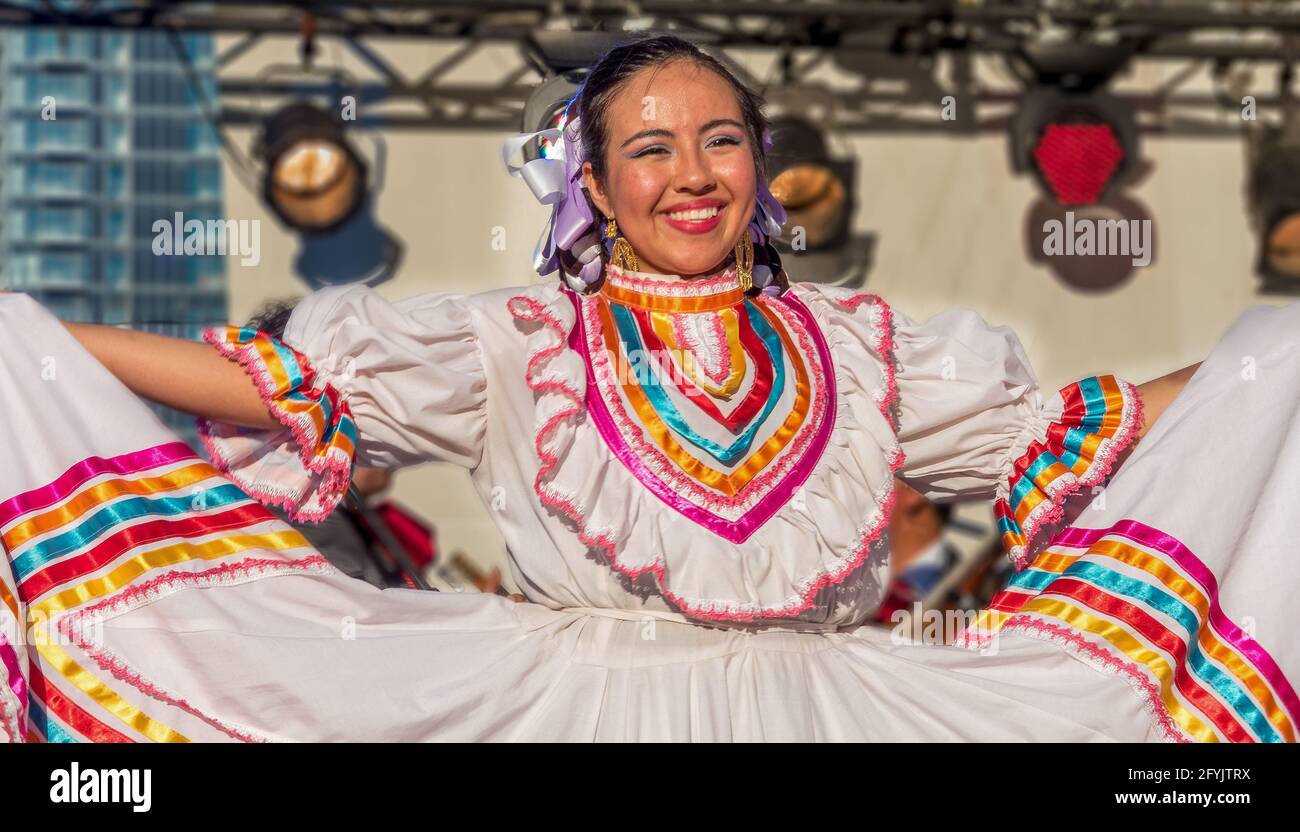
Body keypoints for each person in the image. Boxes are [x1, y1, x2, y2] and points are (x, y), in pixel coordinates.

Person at [0, 33, 1293, 742]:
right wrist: (34, 340)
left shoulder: (866, 346)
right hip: (567, 710)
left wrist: (1271, 359)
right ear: (598, 184)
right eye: (651, 146)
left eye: (721, 138)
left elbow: (1089, 431)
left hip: (832, 712)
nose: (692, 172)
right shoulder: (516, 338)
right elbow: (261, 386)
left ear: (758, 166)